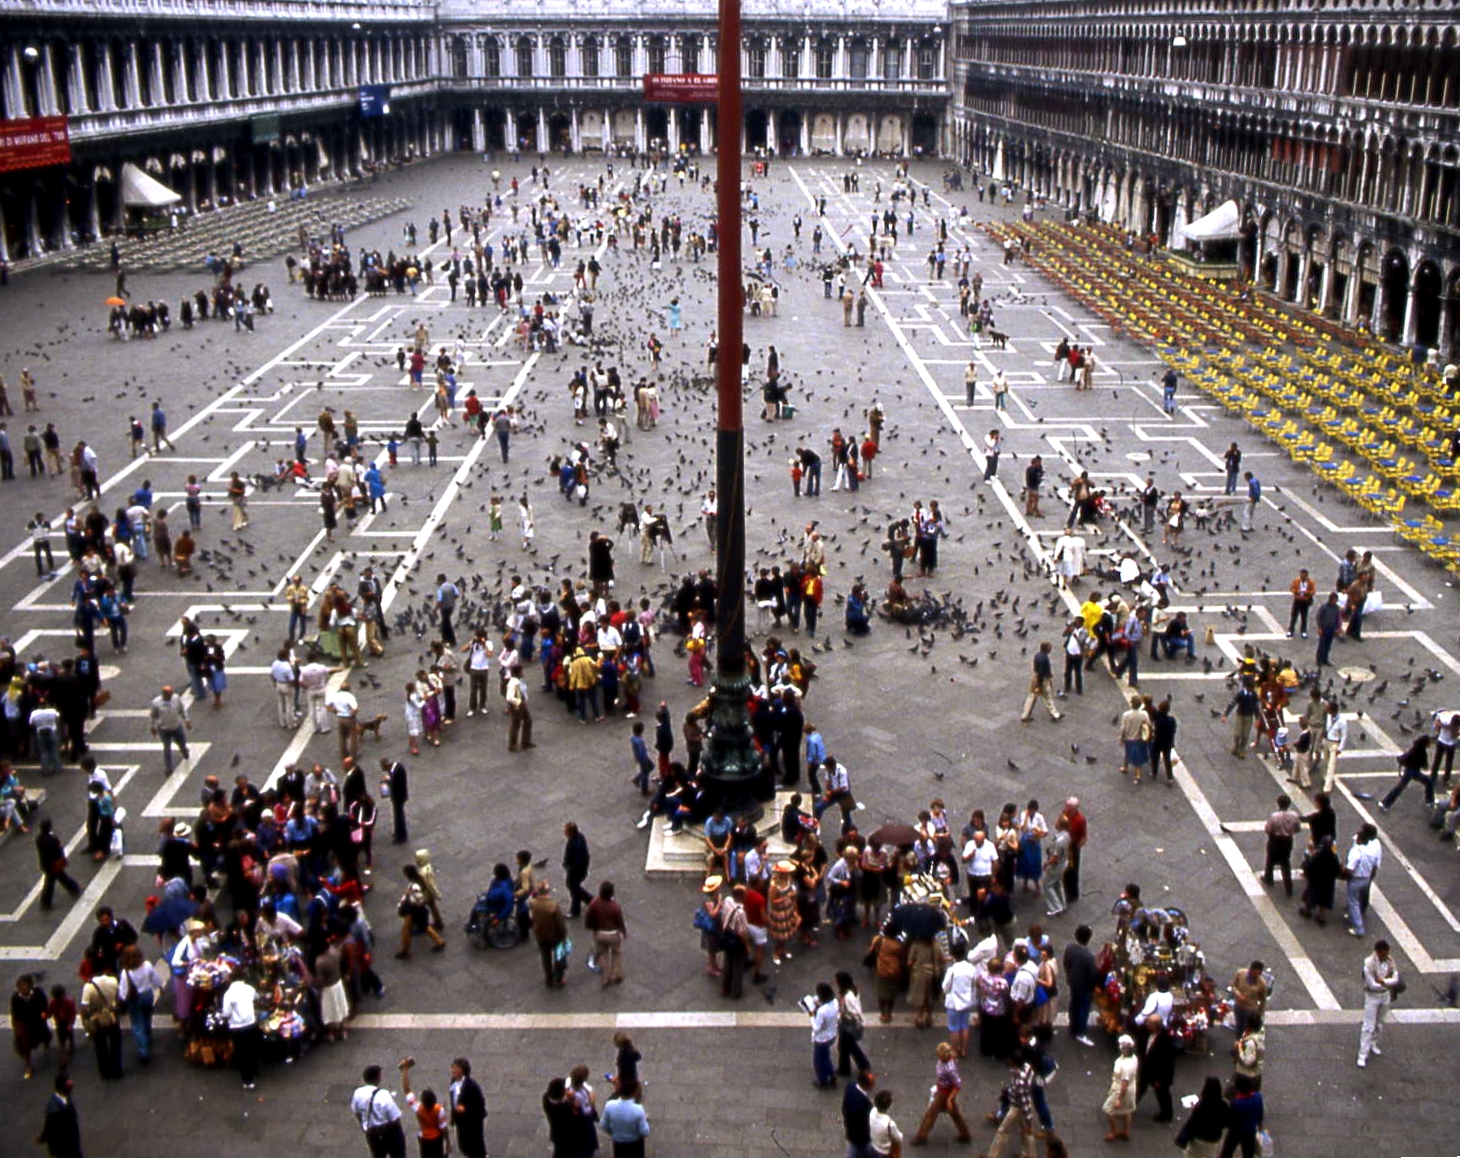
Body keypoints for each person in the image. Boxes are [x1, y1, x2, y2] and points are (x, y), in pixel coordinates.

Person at [909, 1041, 972, 1144]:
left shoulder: (949, 1069)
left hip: (944, 1093)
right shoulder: (946, 1061)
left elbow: (957, 1084)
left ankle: (921, 1136)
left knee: (931, 1113)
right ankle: (965, 1134)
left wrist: (949, 1099)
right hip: (941, 1089)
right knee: (954, 1113)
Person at [1358, 938, 1401, 1067]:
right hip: (1372, 997)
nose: (1387, 955)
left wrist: (1383, 982)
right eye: (1385, 953)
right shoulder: (1369, 964)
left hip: (1385, 995)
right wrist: (1387, 983)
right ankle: (1362, 1055)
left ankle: (1373, 1043)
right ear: (1379, 952)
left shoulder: (1390, 961)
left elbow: (1396, 979)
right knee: (1368, 1026)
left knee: (1380, 1022)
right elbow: (1372, 985)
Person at [353, 1064, 409, 1158]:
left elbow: (357, 1112)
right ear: (378, 1077)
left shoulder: (357, 1093)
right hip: (388, 1132)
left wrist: (364, 1126)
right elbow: (395, 1118)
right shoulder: (384, 1095)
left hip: (371, 1132)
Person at [399, 1057, 449, 1158]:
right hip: (437, 1137)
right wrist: (448, 1142)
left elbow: (406, 1089)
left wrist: (405, 1069)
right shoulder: (439, 1110)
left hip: (424, 1137)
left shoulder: (418, 1108)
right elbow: (444, 1128)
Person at [221, 973, 260, 1089]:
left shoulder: (228, 994)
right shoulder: (249, 989)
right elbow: (256, 997)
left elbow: (226, 1013)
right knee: (252, 1049)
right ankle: (254, 1072)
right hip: (251, 1024)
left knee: (242, 1052)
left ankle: (247, 1080)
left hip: (237, 1027)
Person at [1174, 1075, 1228, 1157]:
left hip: (1200, 1138)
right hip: (1214, 1138)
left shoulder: (1202, 1106)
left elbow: (1192, 1123)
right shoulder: (1223, 1105)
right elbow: (1226, 1121)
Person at [11, 973, 51, 1080]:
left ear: (30, 986)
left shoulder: (37, 992)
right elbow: (15, 1013)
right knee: (26, 1045)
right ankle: (28, 1064)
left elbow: (44, 1003)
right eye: (20, 986)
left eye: (25, 986)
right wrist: (17, 1028)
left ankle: (47, 1044)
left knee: (44, 1035)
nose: (23, 989)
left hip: (38, 1021)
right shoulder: (16, 998)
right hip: (26, 1024)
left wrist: (44, 1012)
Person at [1344, 823, 1382, 936]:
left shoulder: (1357, 851)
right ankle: (1354, 915)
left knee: (1353, 902)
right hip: (1366, 877)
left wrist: (1343, 872)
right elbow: (1375, 864)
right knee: (1360, 898)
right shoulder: (1372, 850)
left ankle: (1358, 928)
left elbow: (1350, 868)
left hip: (1356, 878)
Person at [530, 880, 569, 988]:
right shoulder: (553, 905)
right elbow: (560, 924)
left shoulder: (533, 903)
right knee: (559, 956)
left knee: (545, 957)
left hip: (540, 935)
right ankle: (559, 978)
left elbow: (532, 917)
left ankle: (549, 978)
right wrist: (563, 936)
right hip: (554, 936)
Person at [1101, 1034, 1138, 1142]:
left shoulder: (1125, 1065)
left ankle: (1113, 1131)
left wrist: (1119, 1099)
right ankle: (1126, 1131)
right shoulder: (1134, 1058)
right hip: (1131, 1087)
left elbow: (1124, 1085)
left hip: (1120, 1089)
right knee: (1127, 1111)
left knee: (1109, 1110)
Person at [449, 1057, 489, 1158]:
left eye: (455, 1067)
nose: (452, 1070)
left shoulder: (471, 1086)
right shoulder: (453, 1082)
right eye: (452, 1067)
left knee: (475, 1146)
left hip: (472, 1123)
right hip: (461, 1122)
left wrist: (466, 1109)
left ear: (462, 1070)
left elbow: (480, 1104)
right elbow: (453, 1100)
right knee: (463, 1145)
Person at [1262, 795, 1302, 896]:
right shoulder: (1294, 815)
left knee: (1270, 859)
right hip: (1288, 841)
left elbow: (1268, 829)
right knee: (1285, 862)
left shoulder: (1274, 816)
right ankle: (1288, 887)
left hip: (1275, 840)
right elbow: (1297, 829)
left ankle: (1269, 878)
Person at [599, 1081, 650, 1158]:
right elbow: (644, 1131)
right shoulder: (638, 1109)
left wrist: (614, 1133)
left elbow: (603, 1125)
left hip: (618, 1142)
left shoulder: (610, 1105)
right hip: (635, 1143)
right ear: (634, 1092)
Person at [37, 1073, 83, 1158]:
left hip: (71, 1139)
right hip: (64, 1144)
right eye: (68, 1085)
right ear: (62, 1088)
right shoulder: (54, 1109)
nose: (71, 1087)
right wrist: (43, 1137)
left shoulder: (65, 1097)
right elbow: (49, 1126)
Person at [1219, 1075, 1264, 1158]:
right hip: (1250, 1130)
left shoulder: (1237, 1103)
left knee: (1227, 1151)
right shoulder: (1258, 1097)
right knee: (1248, 1153)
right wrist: (1260, 1124)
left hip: (1236, 1131)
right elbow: (1260, 1113)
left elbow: (1231, 1119)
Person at [809, 980, 840, 1088]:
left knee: (818, 1061)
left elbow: (816, 1028)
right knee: (826, 1057)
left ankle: (822, 1081)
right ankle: (832, 1075)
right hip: (832, 1035)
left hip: (821, 1038)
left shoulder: (822, 1011)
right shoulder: (835, 1002)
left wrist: (811, 1016)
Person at [869, 1089, 903, 1157]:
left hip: (872, 1146)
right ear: (889, 1105)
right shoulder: (889, 1124)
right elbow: (898, 1138)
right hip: (884, 1151)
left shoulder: (872, 1112)